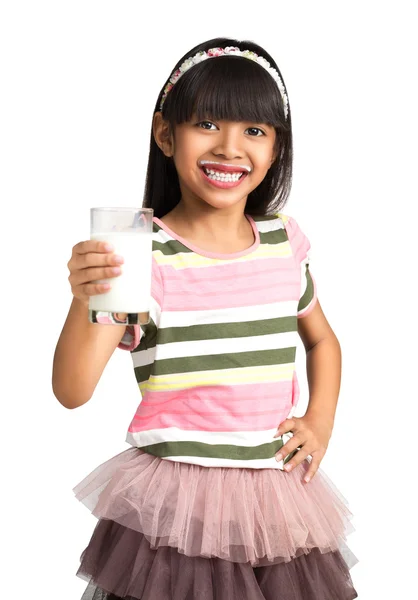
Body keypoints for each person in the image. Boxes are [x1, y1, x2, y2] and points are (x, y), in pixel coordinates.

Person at [53, 37, 359, 600]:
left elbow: (322, 341)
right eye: (208, 123)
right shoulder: (138, 252)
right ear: (166, 133)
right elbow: (72, 390)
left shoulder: (282, 240)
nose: (229, 147)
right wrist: (86, 296)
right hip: (178, 507)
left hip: (276, 495)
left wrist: (321, 420)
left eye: (255, 131)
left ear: (275, 148)